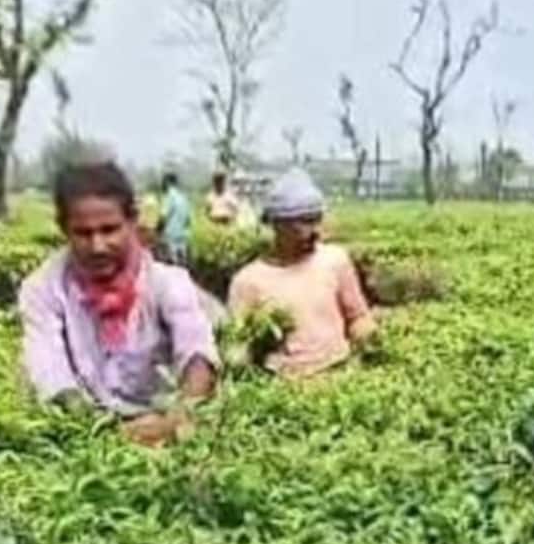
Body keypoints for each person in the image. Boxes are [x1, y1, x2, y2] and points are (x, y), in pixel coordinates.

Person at [19, 161, 220, 446]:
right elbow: (50, 371)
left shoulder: (165, 281)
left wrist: (179, 416)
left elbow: (197, 351)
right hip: (86, 429)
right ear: (63, 229)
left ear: (132, 221)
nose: (98, 246)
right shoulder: (43, 288)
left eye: (110, 229)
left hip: (164, 423)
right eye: (83, 233)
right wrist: (102, 433)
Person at [227, 168, 377, 379]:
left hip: (338, 376)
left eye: (317, 220)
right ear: (278, 224)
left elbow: (358, 317)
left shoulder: (334, 261)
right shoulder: (248, 281)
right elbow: (238, 346)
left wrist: (365, 349)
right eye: (305, 222)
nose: (315, 230)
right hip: (281, 386)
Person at [158, 171, 193, 265]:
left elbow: (163, 216)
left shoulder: (170, 196)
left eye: (163, 182)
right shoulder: (183, 197)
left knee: (171, 267)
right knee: (182, 267)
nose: (162, 185)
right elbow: (188, 220)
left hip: (170, 237)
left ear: (168, 182)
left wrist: (157, 230)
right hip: (183, 237)